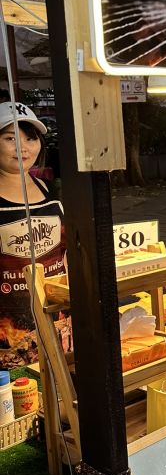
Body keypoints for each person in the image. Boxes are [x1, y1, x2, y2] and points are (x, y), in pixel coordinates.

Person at [0, 103, 66, 370]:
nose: (23, 148)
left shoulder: (48, 189)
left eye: (30, 138)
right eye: (10, 139)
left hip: (55, 315)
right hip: (9, 330)